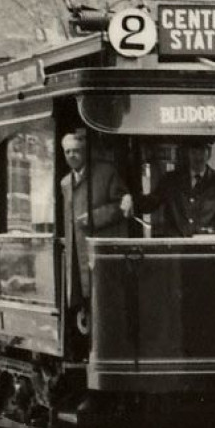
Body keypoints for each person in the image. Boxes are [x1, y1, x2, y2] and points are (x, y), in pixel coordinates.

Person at [59, 129, 131, 329]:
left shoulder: (106, 173)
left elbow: (122, 205)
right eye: (67, 152)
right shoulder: (66, 182)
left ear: (85, 151)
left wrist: (94, 218)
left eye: (76, 151)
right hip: (79, 258)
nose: (72, 156)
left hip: (102, 255)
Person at [132, 139, 215, 237]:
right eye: (194, 151)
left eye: (202, 151)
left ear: (208, 153)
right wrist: (130, 200)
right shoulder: (170, 180)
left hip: (208, 250)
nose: (198, 156)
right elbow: (149, 204)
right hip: (178, 251)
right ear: (187, 153)